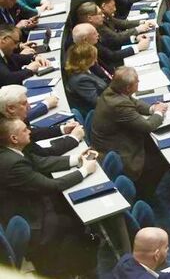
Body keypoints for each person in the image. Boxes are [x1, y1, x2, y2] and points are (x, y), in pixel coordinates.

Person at [0, 117, 99, 277]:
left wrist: (77, 160)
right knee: (73, 221)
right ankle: (74, 269)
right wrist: (84, 171)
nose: (30, 131)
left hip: (29, 203)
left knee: (71, 212)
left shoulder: (11, 151)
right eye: (25, 130)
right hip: (32, 219)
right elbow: (51, 185)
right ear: (14, 138)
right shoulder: (13, 163)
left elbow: (40, 163)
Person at [92, 67, 169, 195]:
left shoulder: (112, 91)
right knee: (162, 160)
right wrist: (159, 112)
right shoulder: (118, 105)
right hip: (122, 152)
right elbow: (147, 126)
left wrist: (152, 108)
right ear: (128, 87)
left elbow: (133, 102)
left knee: (154, 145)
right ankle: (145, 194)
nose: (139, 82)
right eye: (137, 81)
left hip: (115, 141)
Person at [0, 84, 82, 156]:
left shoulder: (14, 117)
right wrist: (73, 138)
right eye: (24, 104)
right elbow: (41, 155)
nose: (29, 107)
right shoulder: (9, 130)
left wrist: (62, 129)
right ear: (11, 108)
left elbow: (32, 132)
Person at [63, 42, 110, 112]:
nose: (96, 60)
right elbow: (98, 102)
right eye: (93, 58)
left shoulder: (84, 69)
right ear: (85, 60)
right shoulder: (81, 80)